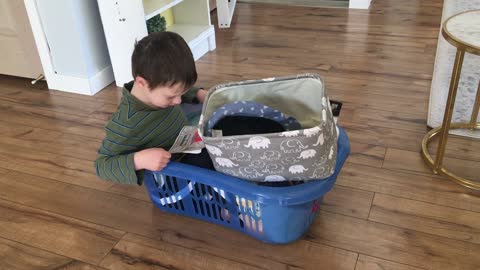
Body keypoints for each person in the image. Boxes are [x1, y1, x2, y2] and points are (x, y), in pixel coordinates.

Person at [94, 31, 211, 185]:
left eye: (181, 93)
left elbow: (175, 89)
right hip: (175, 173)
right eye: (170, 97)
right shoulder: (126, 123)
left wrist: (199, 93)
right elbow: (102, 165)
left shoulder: (157, 85)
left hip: (189, 144)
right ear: (142, 83)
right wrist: (139, 160)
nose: (178, 101)